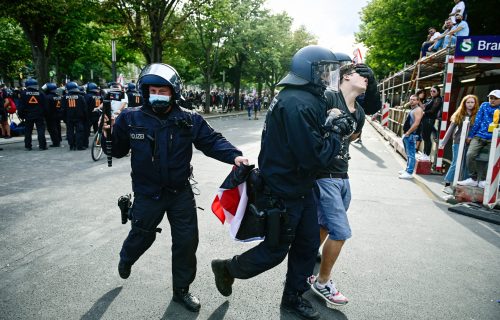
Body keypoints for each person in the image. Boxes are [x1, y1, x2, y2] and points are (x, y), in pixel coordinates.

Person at [211, 45, 356, 320]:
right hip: (284, 190)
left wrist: (331, 125)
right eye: (324, 71)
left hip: (300, 187)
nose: (329, 77)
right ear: (308, 72)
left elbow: (311, 139)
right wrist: (336, 133)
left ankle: (293, 299)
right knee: (274, 251)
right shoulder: (298, 103)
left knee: (307, 243)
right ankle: (228, 268)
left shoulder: (303, 97)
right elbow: (314, 157)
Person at [102, 63, 248, 313]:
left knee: (186, 242)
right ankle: (127, 258)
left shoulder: (189, 119)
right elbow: (116, 150)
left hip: (180, 193)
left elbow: (211, 141)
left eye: (163, 90)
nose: (157, 94)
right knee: (141, 236)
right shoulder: (130, 118)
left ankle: (181, 290)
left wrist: (235, 156)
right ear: (145, 92)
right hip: (148, 193)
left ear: (174, 92)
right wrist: (107, 135)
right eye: (153, 90)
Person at [309, 62, 375, 307]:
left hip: (343, 177)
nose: (367, 79)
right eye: (363, 74)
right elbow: (311, 129)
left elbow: (354, 136)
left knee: (325, 226)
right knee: (340, 231)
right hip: (324, 176)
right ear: (346, 77)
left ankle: (301, 264)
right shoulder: (328, 98)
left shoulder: (359, 111)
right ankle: (322, 281)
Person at [458, 90, 500, 188]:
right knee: (470, 154)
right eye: (491, 98)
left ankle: (484, 180)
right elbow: (477, 121)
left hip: (494, 138)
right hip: (479, 136)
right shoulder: (484, 105)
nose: (492, 100)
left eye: (495, 98)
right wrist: (471, 135)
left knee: (492, 158)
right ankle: (473, 178)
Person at [439, 95, 479, 194]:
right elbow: (450, 129)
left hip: (470, 143)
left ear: (475, 103)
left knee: (466, 163)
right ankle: (447, 184)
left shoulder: (477, 115)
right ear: (464, 103)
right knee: (456, 162)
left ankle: (463, 185)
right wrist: (443, 142)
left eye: (472, 102)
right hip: (457, 142)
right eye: (468, 102)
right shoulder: (459, 114)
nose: (470, 104)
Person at [18, 78, 48, 151]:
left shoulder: (23, 94)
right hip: (39, 115)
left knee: (28, 131)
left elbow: (21, 106)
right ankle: (42, 146)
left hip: (28, 115)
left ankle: (28, 146)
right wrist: (44, 114)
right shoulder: (41, 93)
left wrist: (21, 115)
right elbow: (45, 105)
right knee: (40, 130)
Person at [400, 95, 424, 179]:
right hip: (409, 134)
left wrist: (408, 132)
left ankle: (409, 172)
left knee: (411, 154)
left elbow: (416, 123)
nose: (411, 101)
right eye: (410, 99)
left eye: (414, 100)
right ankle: (407, 170)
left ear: (418, 101)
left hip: (412, 134)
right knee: (408, 153)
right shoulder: (413, 109)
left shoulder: (418, 110)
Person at [62, 81, 89, 150]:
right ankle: (79, 146)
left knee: (69, 131)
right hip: (79, 117)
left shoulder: (64, 97)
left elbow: (62, 109)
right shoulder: (80, 97)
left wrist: (64, 118)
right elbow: (85, 109)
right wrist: (85, 118)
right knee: (79, 131)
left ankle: (72, 146)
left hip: (69, 117)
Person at [420, 85, 442, 161]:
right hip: (426, 119)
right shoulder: (432, 99)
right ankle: (424, 153)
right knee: (424, 137)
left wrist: (423, 112)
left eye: (434, 91)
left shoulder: (438, 99)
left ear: (438, 92)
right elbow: (424, 106)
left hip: (429, 119)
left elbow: (433, 111)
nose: (432, 92)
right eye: (431, 91)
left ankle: (427, 155)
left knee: (427, 138)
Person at [42, 82, 63, 147]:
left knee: (52, 129)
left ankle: (56, 142)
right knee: (58, 127)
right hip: (58, 114)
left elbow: (46, 108)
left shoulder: (47, 97)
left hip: (50, 116)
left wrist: (45, 115)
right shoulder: (59, 96)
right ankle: (59, 140)